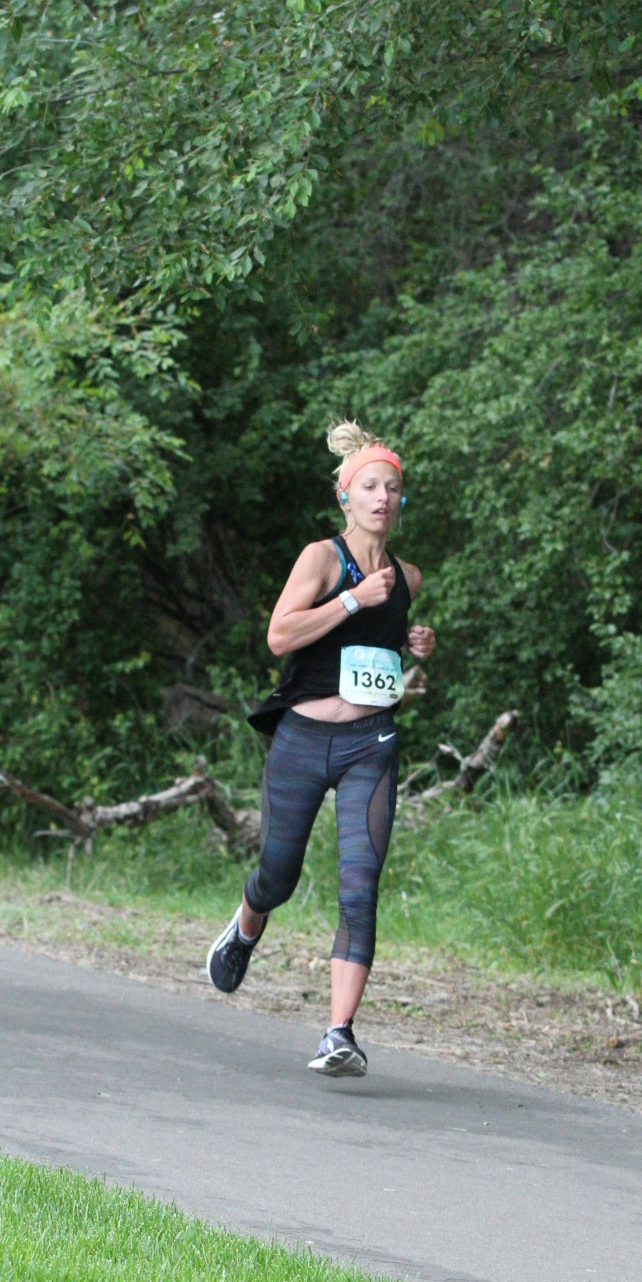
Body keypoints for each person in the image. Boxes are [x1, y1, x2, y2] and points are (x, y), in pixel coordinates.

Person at [205, 420, 436, 1077]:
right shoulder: (322, 559)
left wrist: (415, 643)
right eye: (370, 486)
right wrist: (353, 601)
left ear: (400, 500)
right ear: (346, 497)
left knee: (360, 887)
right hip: (304, 739)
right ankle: (247, 925)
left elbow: (380, 647)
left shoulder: (408, 577)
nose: (382, 497)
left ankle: (339, 1032)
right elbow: (281, 635)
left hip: (371, 743)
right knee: (277, 874)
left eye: (392, 488)